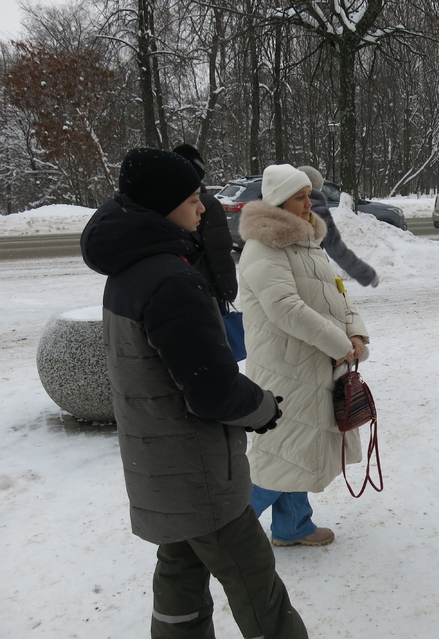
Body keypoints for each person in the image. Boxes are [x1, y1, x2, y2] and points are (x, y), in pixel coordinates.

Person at [81, 148, 308, 638]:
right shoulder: (172, 280)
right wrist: (262, 408)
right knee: (256, 584)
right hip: (198, 475)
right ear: (163, 206)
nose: (202, 207)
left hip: (157, 464)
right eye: (191, 199)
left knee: (180, 575)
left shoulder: (129, 271)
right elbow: (212, 391)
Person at [238, 164, 370, 547]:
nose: (309, 203)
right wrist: (340, 345)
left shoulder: (306, 242)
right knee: (278, 455)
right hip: (285, 368)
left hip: (312, 364)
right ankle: (225, 533)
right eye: (300, 197)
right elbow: (286, 308)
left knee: (297, 448)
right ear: (279, 202)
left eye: (309, 195)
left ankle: (293, 526)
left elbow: (338, 292)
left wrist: (355, 331)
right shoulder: (264, 247)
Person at [173, 143, 238, 314]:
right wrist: (228, 289)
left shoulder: (163, 204)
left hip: (177, 288)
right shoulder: (208, 205)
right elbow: (218, 252)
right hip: (207, 288)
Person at [298, 165, 379, 287]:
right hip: (311, 273)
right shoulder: (320, 213)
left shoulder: (281, 208)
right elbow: (337, 250)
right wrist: (366, 274)